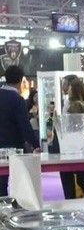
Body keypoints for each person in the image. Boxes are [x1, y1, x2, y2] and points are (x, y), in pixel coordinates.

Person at [0, 66, 40, 195]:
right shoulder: (17, 99)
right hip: (14, 147)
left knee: (1, 182)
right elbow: (24, 125)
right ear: (21, 80)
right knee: (21, 181)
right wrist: (36, 144)